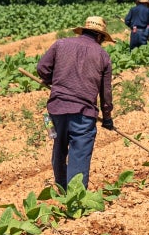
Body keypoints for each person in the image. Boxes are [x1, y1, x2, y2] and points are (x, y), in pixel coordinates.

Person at [36, 16, 115, 190]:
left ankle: (62, 188)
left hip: (56, 110)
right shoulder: (103, 55)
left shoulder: (61, 44)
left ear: (84, 31)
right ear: (100, 36)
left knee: (58, 145)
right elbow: (105, 93)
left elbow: (42, 68)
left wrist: (53, 82)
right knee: (79, 154)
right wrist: (107, 117)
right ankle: (74, 199)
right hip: (83, 113)